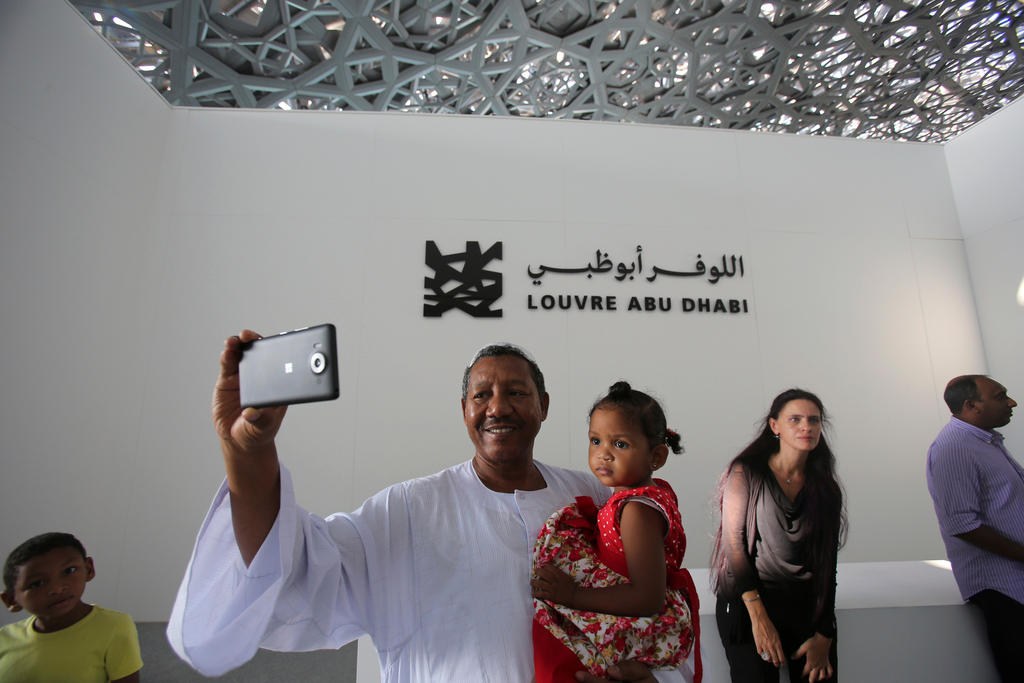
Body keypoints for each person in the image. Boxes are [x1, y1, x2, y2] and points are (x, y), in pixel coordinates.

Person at [167, 331, 696, 682]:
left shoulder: (601, 500)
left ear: (543, 408)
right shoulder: (406, 511)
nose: (498, 407)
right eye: (481, 394)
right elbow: (296, 569)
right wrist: (249, 452)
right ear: (464, 410)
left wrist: (648, 677)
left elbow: (669, 611)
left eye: (516, 392)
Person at [531, 381, 701, 683]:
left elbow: (647, 597)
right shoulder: (635, 498)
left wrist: (572, 594)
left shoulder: (636, 510)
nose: (603, 454)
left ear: (657, 457)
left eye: (620, 444)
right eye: (595, 441)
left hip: (642, 619)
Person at [710, 389, 846, 683]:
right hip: (749, 604)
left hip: (804, 608)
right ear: (775, 426)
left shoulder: (826, 489)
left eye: (814, 420)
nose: (806, 427)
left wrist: (825, 634)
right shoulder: (746, 472)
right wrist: (759, 619)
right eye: (795, 419)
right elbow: (734, 547)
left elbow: (827, 565)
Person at [926, 374, 1023, 683]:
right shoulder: (954, 447)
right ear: (971, 406)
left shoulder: (984, 441)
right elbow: (962, 524)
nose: (1011, 402)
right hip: (1002, 587)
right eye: (1000, 396)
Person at [0, 532, 142, 682]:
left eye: (69, 571)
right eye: (37, 583)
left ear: (88, 569)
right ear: (11, 600)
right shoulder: (4, 638)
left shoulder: (114, 626)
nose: (57, 588)